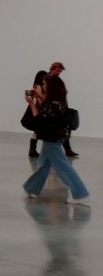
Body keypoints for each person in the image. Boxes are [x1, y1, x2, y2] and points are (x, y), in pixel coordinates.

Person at [22, 74, 90, 206]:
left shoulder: (52, 104)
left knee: (62, 166)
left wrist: (31, 103)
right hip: (56, 137)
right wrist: (39, 96)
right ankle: (32, 188)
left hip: (51, 139)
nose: (43, 86)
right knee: (44, 164)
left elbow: (38, 120)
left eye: (44, 84)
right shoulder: (58, 100)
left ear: (51, 86)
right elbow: (48, 109)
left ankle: (81, 194)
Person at [49, 61, 78, 158]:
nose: (59, 73)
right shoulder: (49, 79)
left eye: (60, 71)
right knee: (54, 131)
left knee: (65, 129)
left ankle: (67, 150)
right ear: (52, 69)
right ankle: (60, 151)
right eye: (57, 70)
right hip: (54, 110)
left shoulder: (57, 79)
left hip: (61, 108)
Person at [25, 69, 48, 157]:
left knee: (37, 131)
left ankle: (32, 150)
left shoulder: (39, 86)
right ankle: (32, 150)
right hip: (40, 110)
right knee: (38, 130)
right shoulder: (38, 86)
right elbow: (39, 99)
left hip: (39, 109)